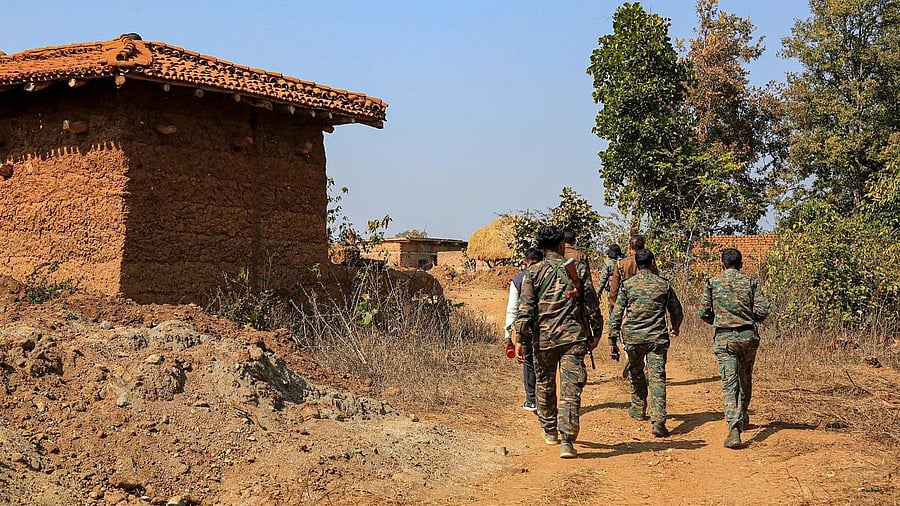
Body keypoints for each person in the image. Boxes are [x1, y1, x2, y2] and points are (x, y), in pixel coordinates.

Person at [514, 227, 603, 459]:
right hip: (573, 338)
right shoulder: (578, 269)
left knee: (544, 385)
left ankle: (550, 430)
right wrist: (597, 331)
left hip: (543, 340)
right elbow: (592, 303)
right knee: (571, 390)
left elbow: (525, 311)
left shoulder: (532, 272)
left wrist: (520, 339)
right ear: (562, 245)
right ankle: (567, 442)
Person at [699, 248, 771, 449]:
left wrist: (721, 321)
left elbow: (703, 312)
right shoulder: (751, 282)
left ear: (722, 264)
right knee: (745, 376)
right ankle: (743, 415)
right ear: (741, 264)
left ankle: (734, 428)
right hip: (748, 336)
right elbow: (763, 309)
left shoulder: (713, 282)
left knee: (730, 382)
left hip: (724, 338)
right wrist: (748, 320)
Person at [608, 249, 683, 438]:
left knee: (636, 370)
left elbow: (617, 313)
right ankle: (658, 421)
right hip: (656, 338)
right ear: (652, 263)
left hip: (633, 338)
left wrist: (612, 339)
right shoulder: (663, 285)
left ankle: (638, 407)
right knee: (658, 377)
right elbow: (676, 310)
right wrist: (675, 326)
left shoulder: (628, 285)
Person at [608, 236, 659, 378]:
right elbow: (656, 282)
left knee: (629, 337)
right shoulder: (650, 262)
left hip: (626, 305)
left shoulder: (621, 264)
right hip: (648, 305)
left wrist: (614, 308)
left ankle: (632, 361)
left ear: (629, 247)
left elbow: (614, 290)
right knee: (649, 334)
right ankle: (644, 364)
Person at [503, 247, 545, 412]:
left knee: (528, 361)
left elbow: (512, 309)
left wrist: (508, 336)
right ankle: (547, 400)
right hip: (549, 327)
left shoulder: (518, 279)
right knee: (547, 362)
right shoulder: (551, 275)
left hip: (527, 328)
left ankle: (531, 399)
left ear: (525, 262)